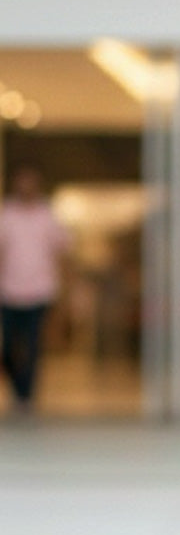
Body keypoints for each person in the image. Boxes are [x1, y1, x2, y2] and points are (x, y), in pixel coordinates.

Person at [0, 161, 71, 417]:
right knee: (7, 345)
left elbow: (62, 253)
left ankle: (25, 396)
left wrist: (64, 290)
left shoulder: (48, 215)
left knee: (32, 346)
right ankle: (16, 385)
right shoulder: (6, 213)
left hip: (41, 291)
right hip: (8, 291)